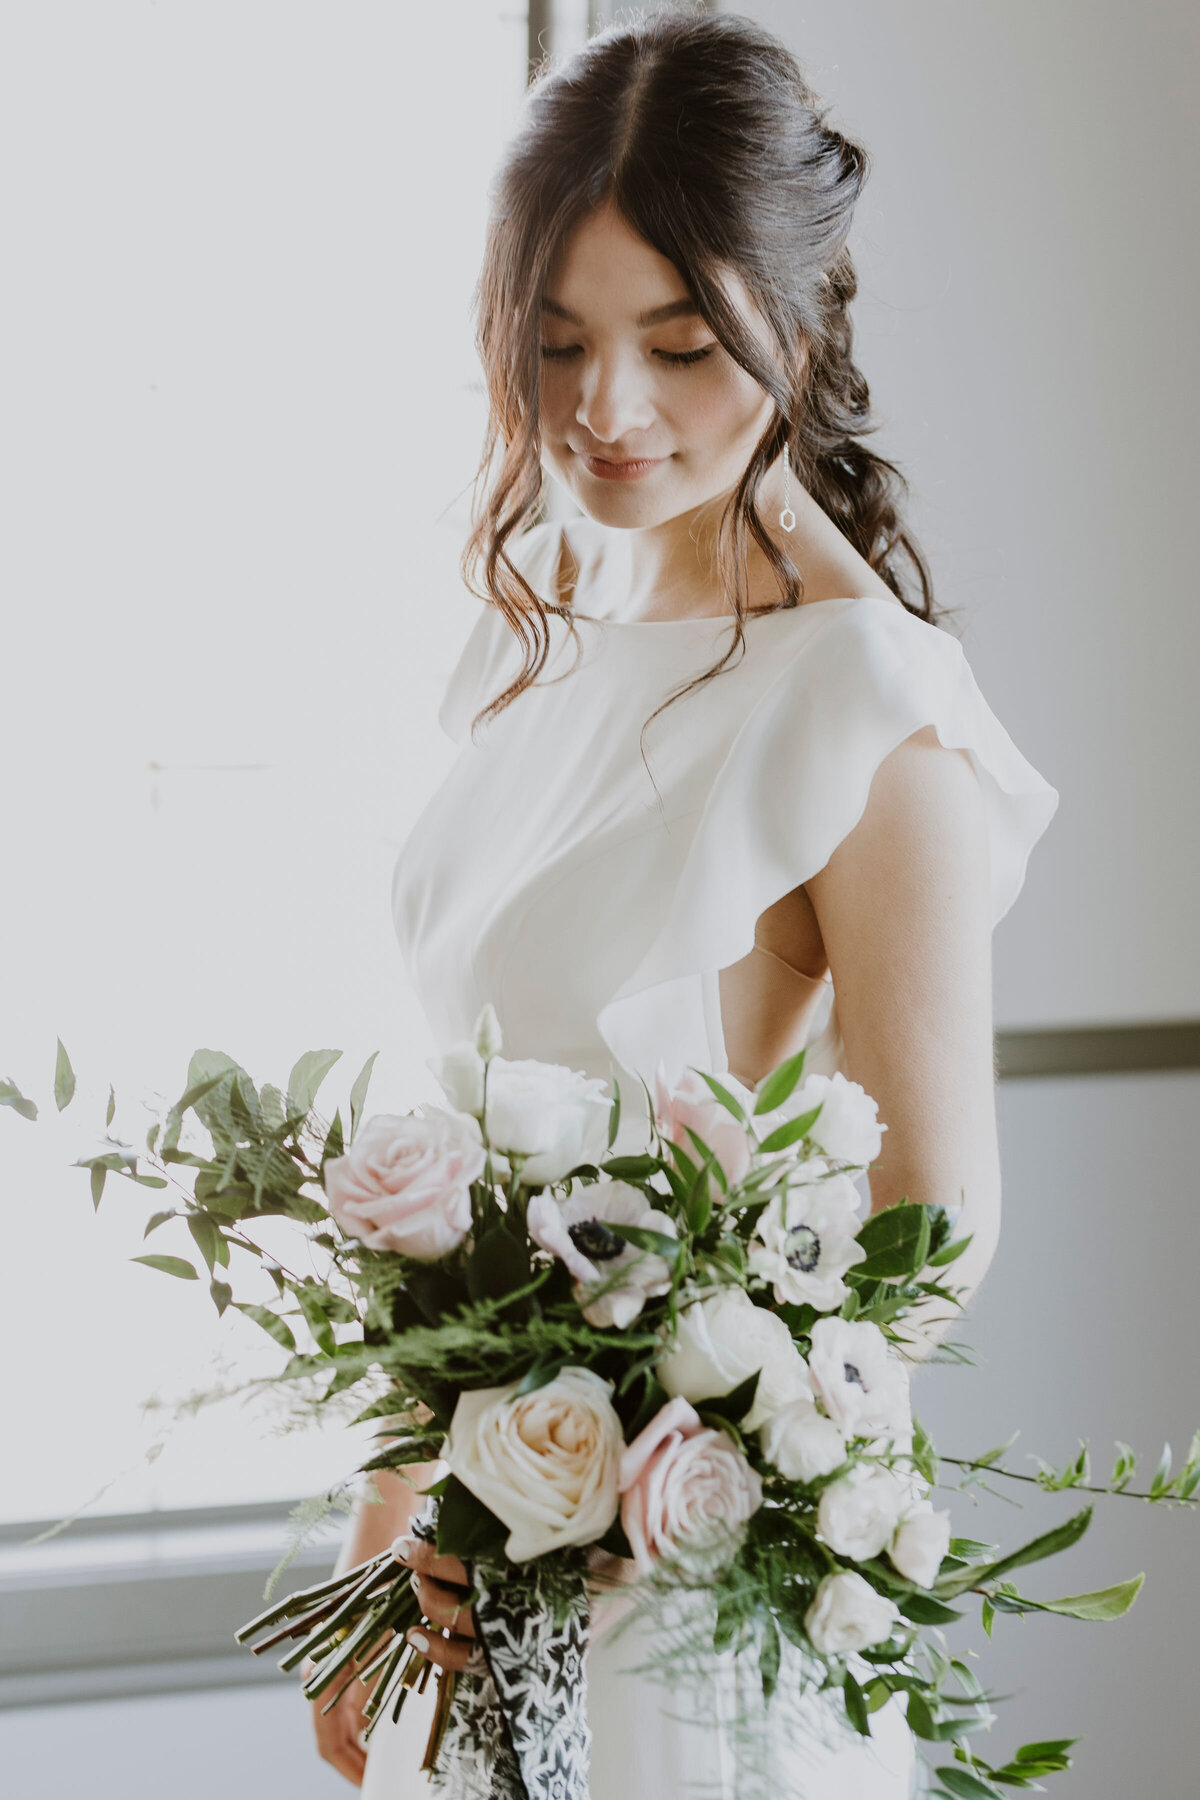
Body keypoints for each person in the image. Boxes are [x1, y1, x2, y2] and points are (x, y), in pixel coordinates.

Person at [309, 13, 1059, 1796]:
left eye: (675, 343)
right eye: (555, 341)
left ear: (795, 326)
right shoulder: (534, 628)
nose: (605, 412)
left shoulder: (865, 704)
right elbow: (478, 1188)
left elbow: (931, 1237)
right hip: (474, 1558)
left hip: (682, 1576)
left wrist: (626, 1468)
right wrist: (390, 1510)